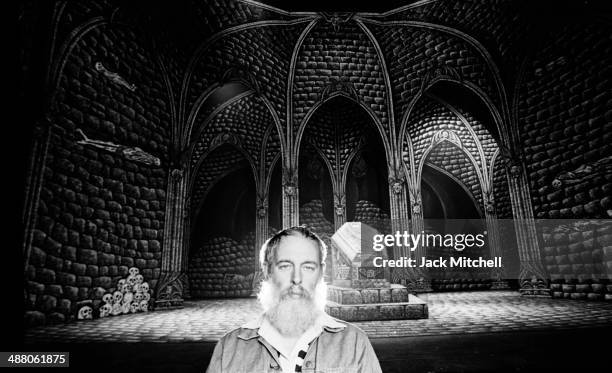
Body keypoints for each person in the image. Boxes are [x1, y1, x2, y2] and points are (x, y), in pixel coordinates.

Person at [206, 225, 382, 373]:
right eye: (285, 266)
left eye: (308, 267)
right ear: (267, 270)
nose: (296, 278)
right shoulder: (229, 348)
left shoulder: (355, 343)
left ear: (321, 273)